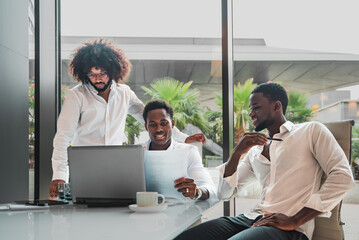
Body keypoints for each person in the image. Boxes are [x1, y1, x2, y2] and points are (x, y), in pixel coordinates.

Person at [175, 82, 354, 240]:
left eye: (256, 107)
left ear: (277, 106)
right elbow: (225, 194)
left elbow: (343, 177)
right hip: (252, 218)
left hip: (289, 228)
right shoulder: (255, 150)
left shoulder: (310, 131)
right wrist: (237, 152)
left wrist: (295, 220)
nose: (251, 113)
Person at [49, 39, 205, 198]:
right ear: (84, 73)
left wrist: (183, 138)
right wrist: (59, 176)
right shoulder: (77, 96)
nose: (97, 79)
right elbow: (63, 136)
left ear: (112, 70)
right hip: (84, 170)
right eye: (92, 74)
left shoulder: (125, 93)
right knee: (82, 215)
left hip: (115, 171)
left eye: (102, 73)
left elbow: (150, 118)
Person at [143, 100, 216, 200]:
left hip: (180, 212)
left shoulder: (189, 152)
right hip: (140, 211)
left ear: (172, 124)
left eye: (163, 123)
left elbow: (210, 188)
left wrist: (196, 192)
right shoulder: (135, 153)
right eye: (153, 124)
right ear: (146, 127)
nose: (159, 129)